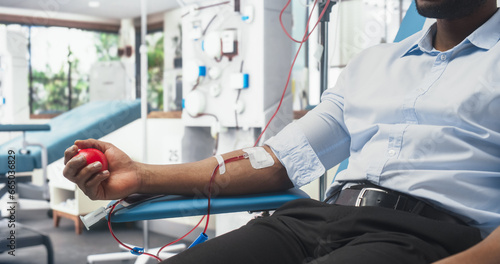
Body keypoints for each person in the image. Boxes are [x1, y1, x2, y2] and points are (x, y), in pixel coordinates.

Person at [63, 0, 500, 263]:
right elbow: (278, 160)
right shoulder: (373, 64)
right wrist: (141, 175)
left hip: (424, 235)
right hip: (316, 220)